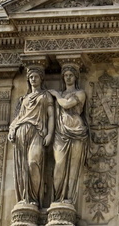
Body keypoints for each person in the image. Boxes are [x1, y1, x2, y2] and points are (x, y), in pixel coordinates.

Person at [8, 66, 55, 207]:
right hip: (21, 131)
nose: (33, 79)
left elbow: (51, 115)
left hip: (37, 132)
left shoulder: (45, 96)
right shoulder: (24, 99)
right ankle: (26, 199)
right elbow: (18, 117)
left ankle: (34, 199)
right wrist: (12, 130)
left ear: (41, 78)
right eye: (31, 77)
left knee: (33, 163)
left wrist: (50, 134)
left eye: (36, 76)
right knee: (23, 168)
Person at [49, 63, 88, 205]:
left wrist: (56, 95)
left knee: (73, 168)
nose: (68, 78)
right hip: (60, 132)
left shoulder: (80, 93)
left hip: (77, 131)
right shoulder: (62, 95)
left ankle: (69, 199)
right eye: (65, 75)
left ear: (76, 77)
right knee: (59, 164)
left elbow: (66, 104)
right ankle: (57, 198)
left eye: (71, 75)